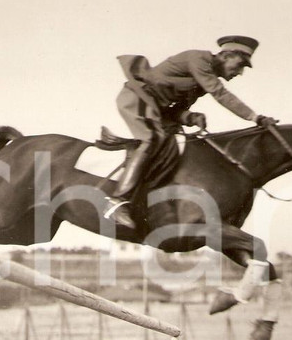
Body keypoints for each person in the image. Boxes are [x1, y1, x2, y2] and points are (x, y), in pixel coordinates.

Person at [104, 35, 278, 229]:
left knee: (175, 146)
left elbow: (174, 111)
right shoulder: (199, 60)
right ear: (227, 55)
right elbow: (220, 94)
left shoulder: (201, 82)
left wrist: (190, 117)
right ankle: (117, 201)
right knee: (151, 139)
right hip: (137, 98)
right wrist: (255, 118)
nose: (239, 72)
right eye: (239, 65)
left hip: (154, 109)